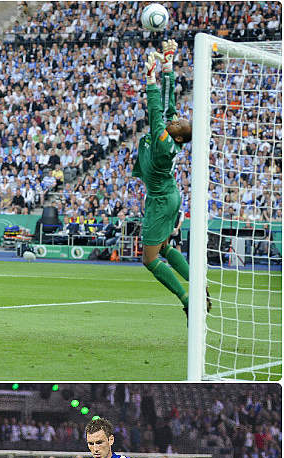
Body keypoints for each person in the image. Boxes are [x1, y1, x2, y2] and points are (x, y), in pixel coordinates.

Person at [134, 41, 200, 317]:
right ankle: (199, 284)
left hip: (161, 200)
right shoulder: (173, 136)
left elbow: (155, 110)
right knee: (163, 246)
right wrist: (168, 66)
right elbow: (168, 103)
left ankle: (188, 299)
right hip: (166, 195)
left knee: (149, 260)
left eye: (177, 124)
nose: (174, 121)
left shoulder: (164, 143)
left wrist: (150, 79)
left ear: (179, 137)